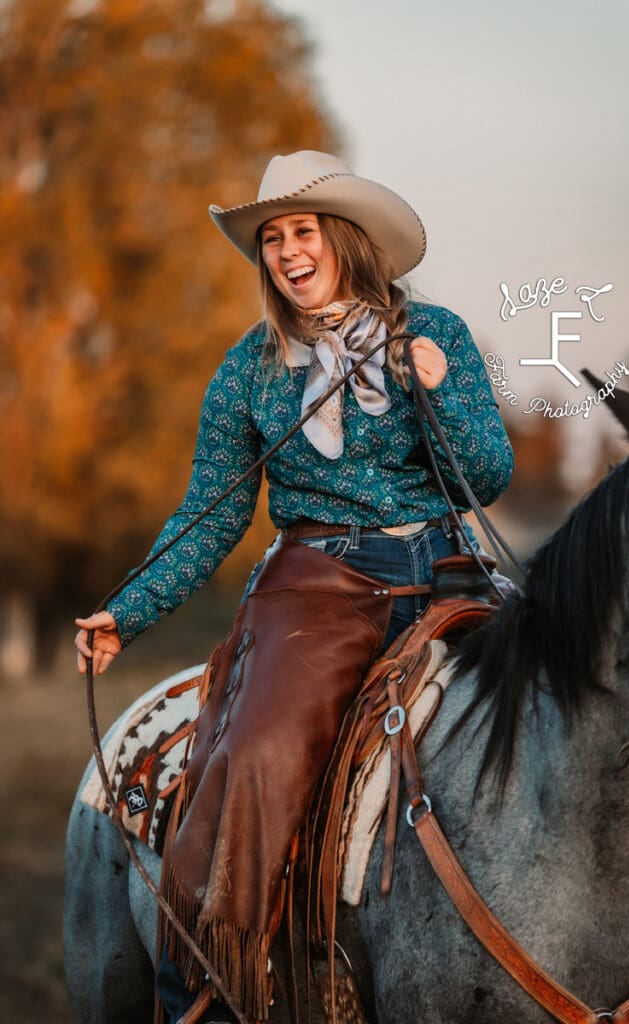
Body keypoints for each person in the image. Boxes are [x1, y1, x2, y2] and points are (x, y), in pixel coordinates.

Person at [75, 150, 514, 1023]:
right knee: (257, 753)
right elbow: (211, 512)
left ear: (344, 240)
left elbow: (487, 474)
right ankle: (207, 980)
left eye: (300, 231)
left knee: (579, 693)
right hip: (319, 580)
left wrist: (438, 392)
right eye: (270, 239)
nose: (283, 251)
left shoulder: (440, 337)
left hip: (450, 567)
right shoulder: (248, 370)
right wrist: (130, 607)